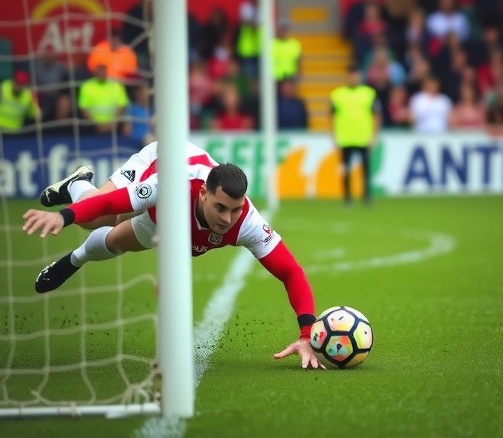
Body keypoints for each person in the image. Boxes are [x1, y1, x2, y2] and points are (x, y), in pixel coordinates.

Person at [23, 141, 324, 370]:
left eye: (235, 209)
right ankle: (77, 183)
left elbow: (290, 272)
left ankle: (75, 259)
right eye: (220, 207)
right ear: (204, 193)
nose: (227, 218)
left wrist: (306, 333)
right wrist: (63, 216)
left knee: (115, 241)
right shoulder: (170, 186)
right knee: (101, 218)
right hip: (161, 162)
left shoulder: (248, 222)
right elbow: (110, 204)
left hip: (174, 222)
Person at [329, 65, 381, 205]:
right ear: (347, 77)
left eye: (356, 75)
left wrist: (375, 135)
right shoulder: (337, 94)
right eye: (351, 75)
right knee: (345, 170)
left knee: (366, 170)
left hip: (364, 138)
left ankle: (366, 196)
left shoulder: (369, 93)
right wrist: (333, 136)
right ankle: (347, 198)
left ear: (360, 76)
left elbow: (376, 115)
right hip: (345, 138)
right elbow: (331, 117)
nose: (353, 78)